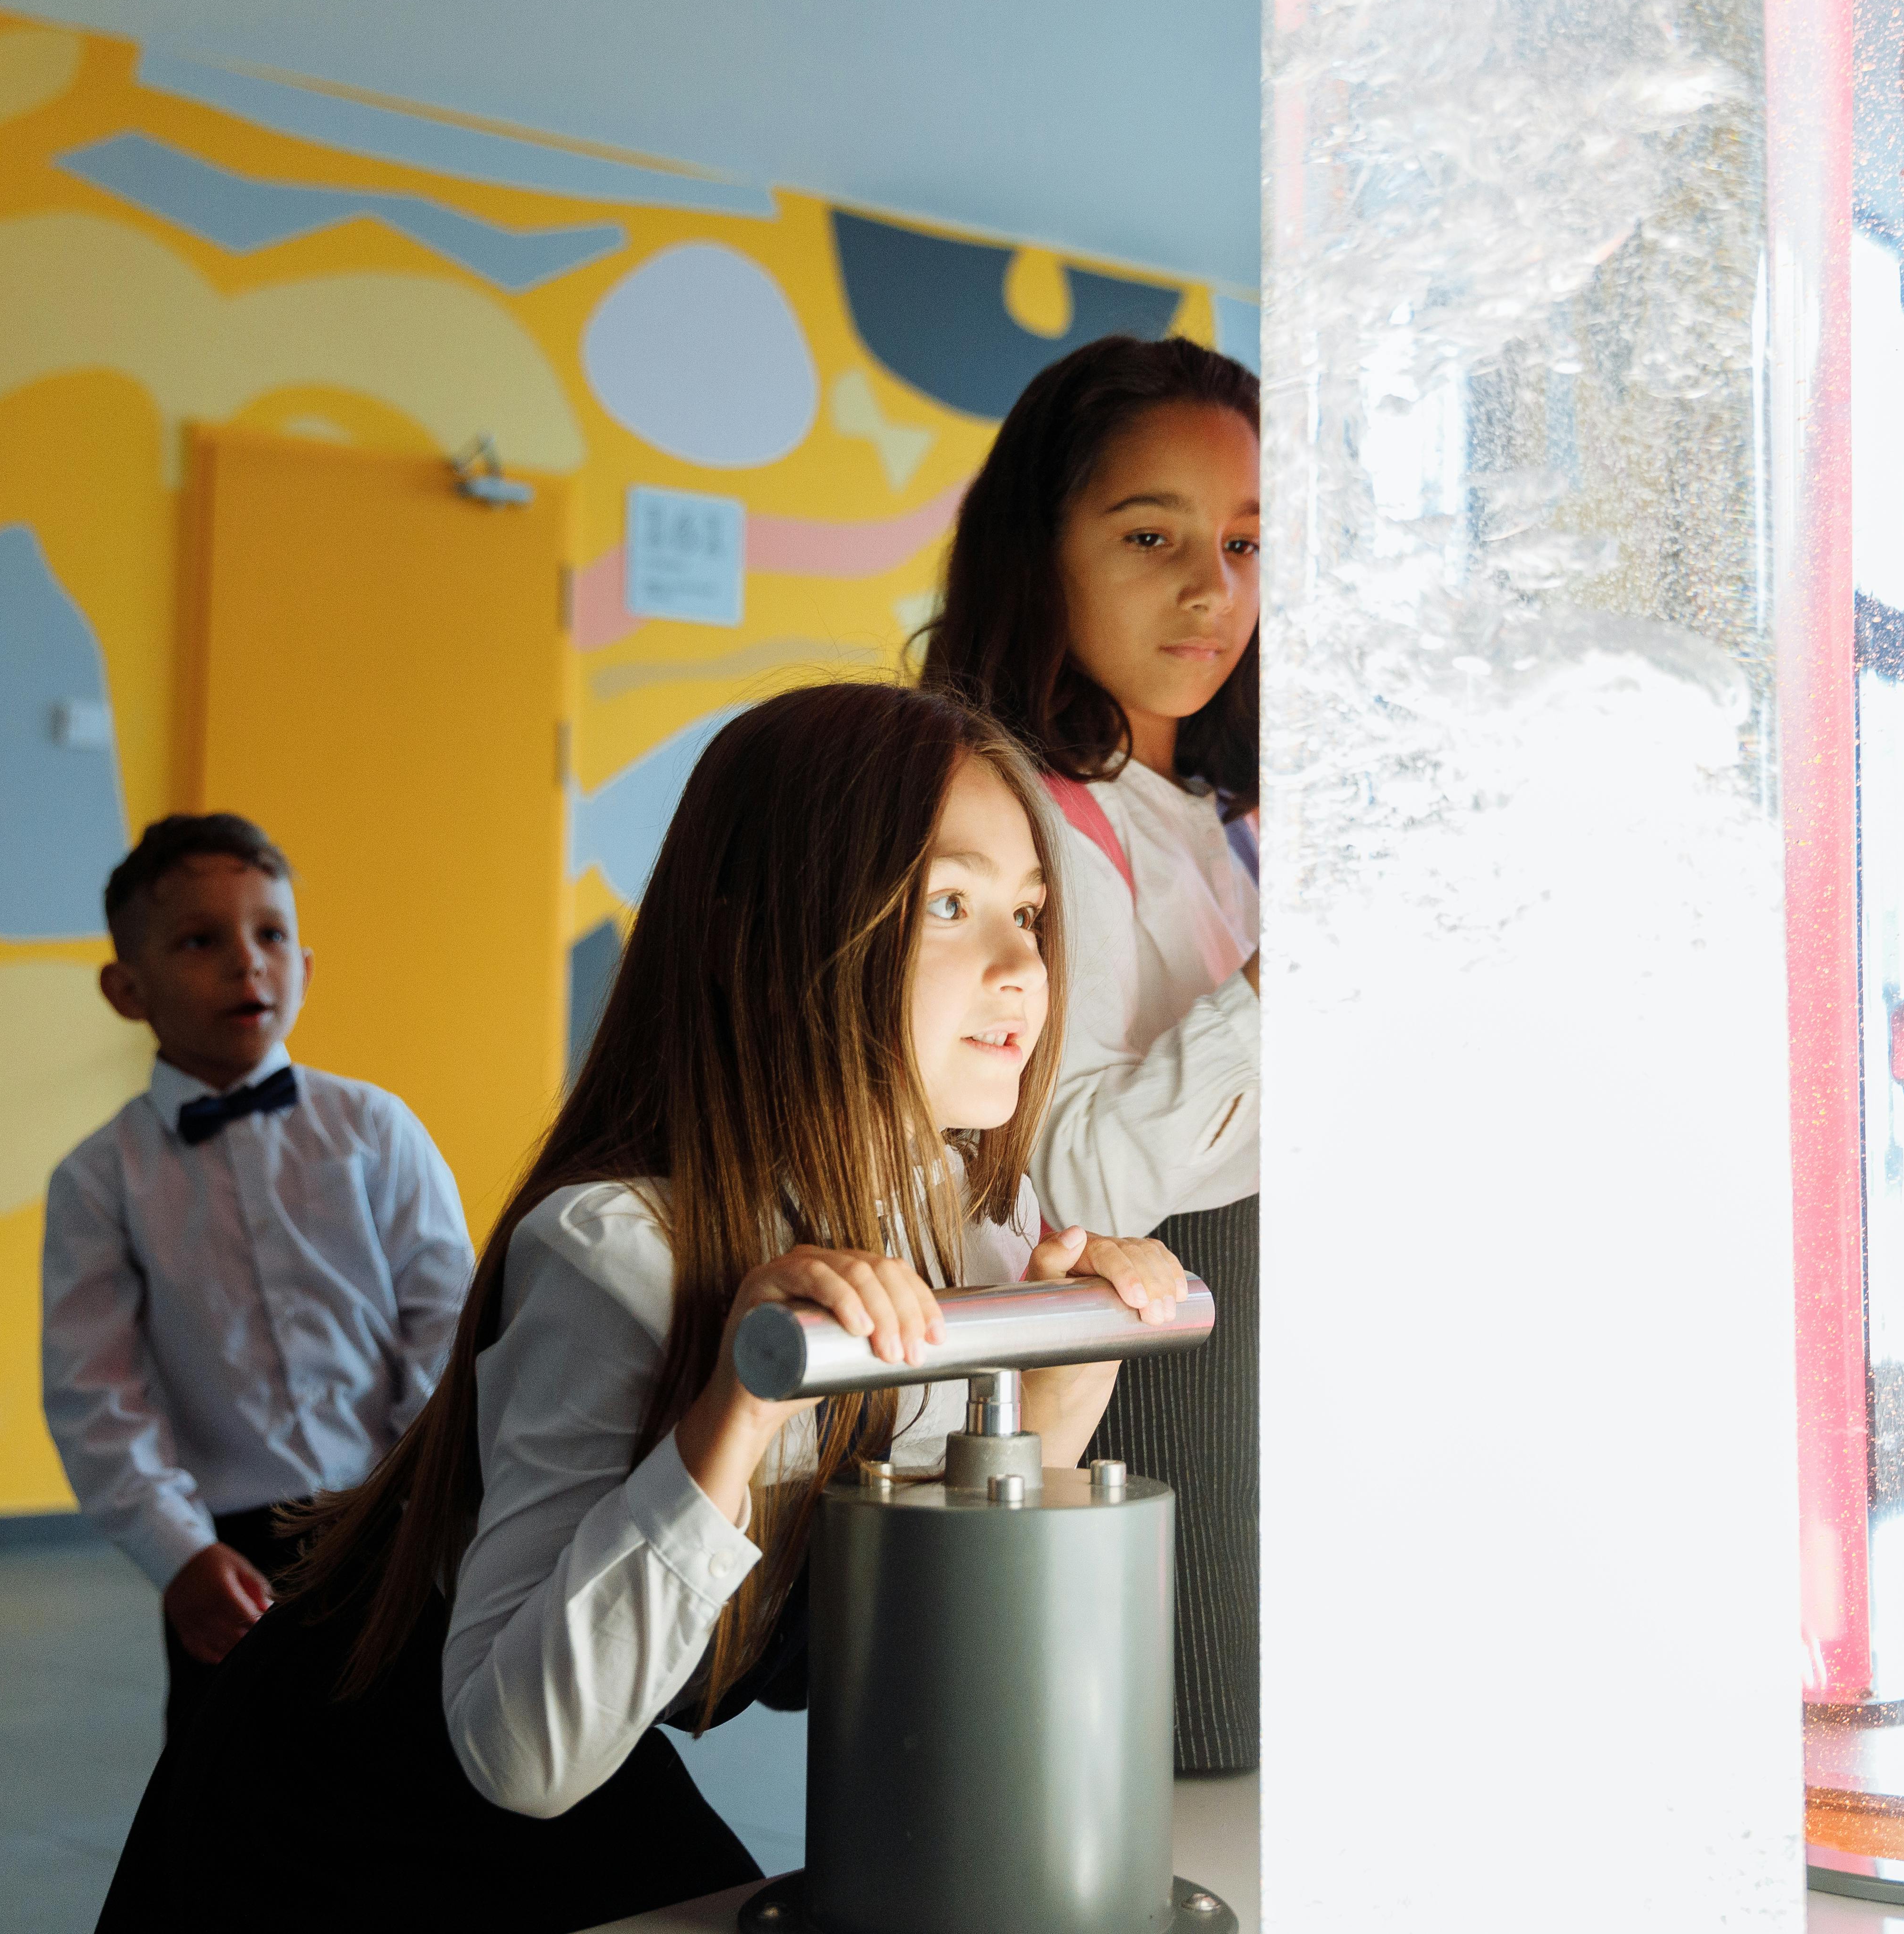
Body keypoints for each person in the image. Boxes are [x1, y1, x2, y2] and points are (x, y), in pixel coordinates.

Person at [93, 684, 1186, 1932]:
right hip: (350, 1784)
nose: (1017, 967)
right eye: (948, 902)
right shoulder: (618, 1252)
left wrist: (1069, 1360)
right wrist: (737, 1404)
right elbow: (519, 1749)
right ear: (756, 933)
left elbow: (902, 1648)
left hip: (582, 1733)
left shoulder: (974, 1236)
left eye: (1028, 913)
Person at [917, 333, 1264, 1771]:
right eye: (1150, 533)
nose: (1212, 589)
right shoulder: (1034, 813)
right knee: (1181, 1759)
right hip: (1153, 1352)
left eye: (1247, 542)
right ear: (1035, 549)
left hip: (1257, 1338)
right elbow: (1073, 1170)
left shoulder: (1209, 807)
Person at [41, 812, 475, 1744]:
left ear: (305, 968)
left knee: (410, 1767)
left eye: (270, 935)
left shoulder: (375, 1128)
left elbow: (445, 1319)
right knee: (235, 1790)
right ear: (127, 988)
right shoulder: (98, 1178)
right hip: (227, 1551)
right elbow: (95, 1392)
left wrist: (421, 1497)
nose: (247, 965)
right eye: (201, 941)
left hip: (393, 1522)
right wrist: (178, 1554)